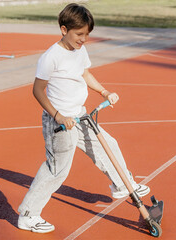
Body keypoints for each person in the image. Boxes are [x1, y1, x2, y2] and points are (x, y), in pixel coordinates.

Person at [17, 3, 150, 233]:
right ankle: (28, 214)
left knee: (108, 144)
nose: (83, 39)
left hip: (79, 114)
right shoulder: (51, 57)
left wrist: (104, 92)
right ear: (63, 29)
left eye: (87, 34)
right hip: (59, 121)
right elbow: (38, 91)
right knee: (57, 169)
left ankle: (121, 184)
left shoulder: (80, 50)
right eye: (79, 34)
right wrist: (58, 116)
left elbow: (85, 73)